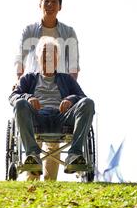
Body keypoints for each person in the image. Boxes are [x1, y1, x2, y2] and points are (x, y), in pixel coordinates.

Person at [13, 0, 81, 181]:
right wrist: (19, 82)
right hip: (34, 84)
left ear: (60, 6)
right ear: (40, 4)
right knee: (34, 132)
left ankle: (50, 182)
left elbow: (74, 64)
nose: (50, 5)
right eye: (46, 1)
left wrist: (69, 91)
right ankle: (31, 180)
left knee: (55, 139)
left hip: (59, 85)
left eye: (54, 1)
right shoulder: (30, 31)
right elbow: (20, 58)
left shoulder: (68, 32)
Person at [9, 37, 95, 177]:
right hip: (37, 117)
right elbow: (13, 96)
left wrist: (70, 99)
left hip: (62, 118)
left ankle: (74, 155)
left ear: (57, 58)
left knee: (88, 103)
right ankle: (32, 155)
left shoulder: (67, 79)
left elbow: (83, 98)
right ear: (38, 58)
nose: (48, 56)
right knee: (20, 103)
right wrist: (28, 97)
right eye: (44, 52)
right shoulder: (28, 79)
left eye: (52, 53)